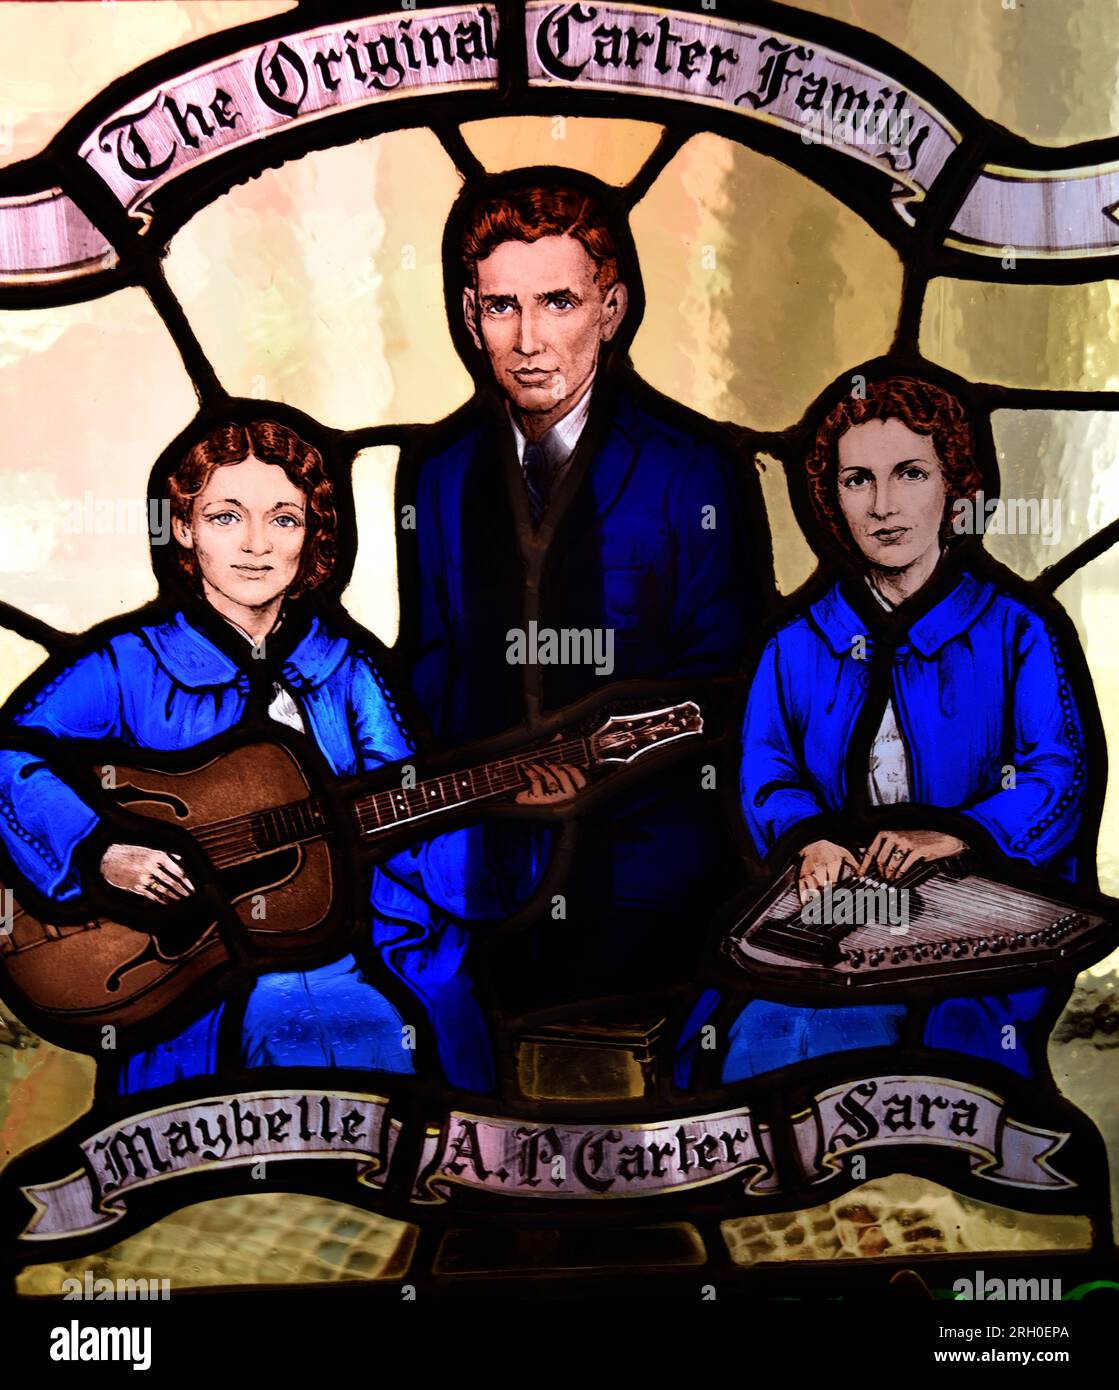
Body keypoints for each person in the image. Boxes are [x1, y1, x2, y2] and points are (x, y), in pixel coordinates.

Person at [0, 419, 581, 1095]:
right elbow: (10, 757)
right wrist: (99, 850)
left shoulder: (345, 669)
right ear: (183, 529)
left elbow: (412, 823)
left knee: (374, 1036)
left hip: (350, 949)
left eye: (283, 518)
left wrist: (512, 814)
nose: (256, 544)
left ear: (313, 537)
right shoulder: (128, 664)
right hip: (181, 969)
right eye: (225, 516)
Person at [396, 174, 772, 1006]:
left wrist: (591, 763)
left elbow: (733, 684)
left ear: (611, 308)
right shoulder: (437, 471)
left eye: (558, 302)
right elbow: (429, 665)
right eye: (501, 308)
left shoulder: (692, 468)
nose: (528, 339)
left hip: (646, 859)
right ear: (469, 316)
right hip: (469, 856)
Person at [680, 374, 1097, 1085]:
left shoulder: (1014, 631)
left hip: (982, 931)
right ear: (831, 499)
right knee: (759, 1040)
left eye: (908, 473)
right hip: (833, 921)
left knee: (952, 1059)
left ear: (953, 485)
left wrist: (959, 834)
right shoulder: (796, 643)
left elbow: (1058, 773)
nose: (881, 506)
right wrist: (808, 838)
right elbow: (765, 773)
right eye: (856, 480)